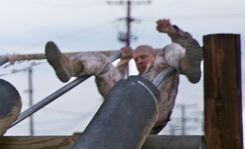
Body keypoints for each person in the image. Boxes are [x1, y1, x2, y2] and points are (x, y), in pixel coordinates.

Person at [44, 19, 203, 134]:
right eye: (137, 59)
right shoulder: (135, 79)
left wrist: (172, 32)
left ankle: (187, 65)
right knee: (102, 61)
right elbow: (113, 81)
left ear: (154, 55)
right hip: (128, 112)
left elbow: (188, 46)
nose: (139, 61)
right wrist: (124, 62)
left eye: (144, 57)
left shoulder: (163, 63)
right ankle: (71, 67)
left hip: (155, 111)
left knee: (172, 48)